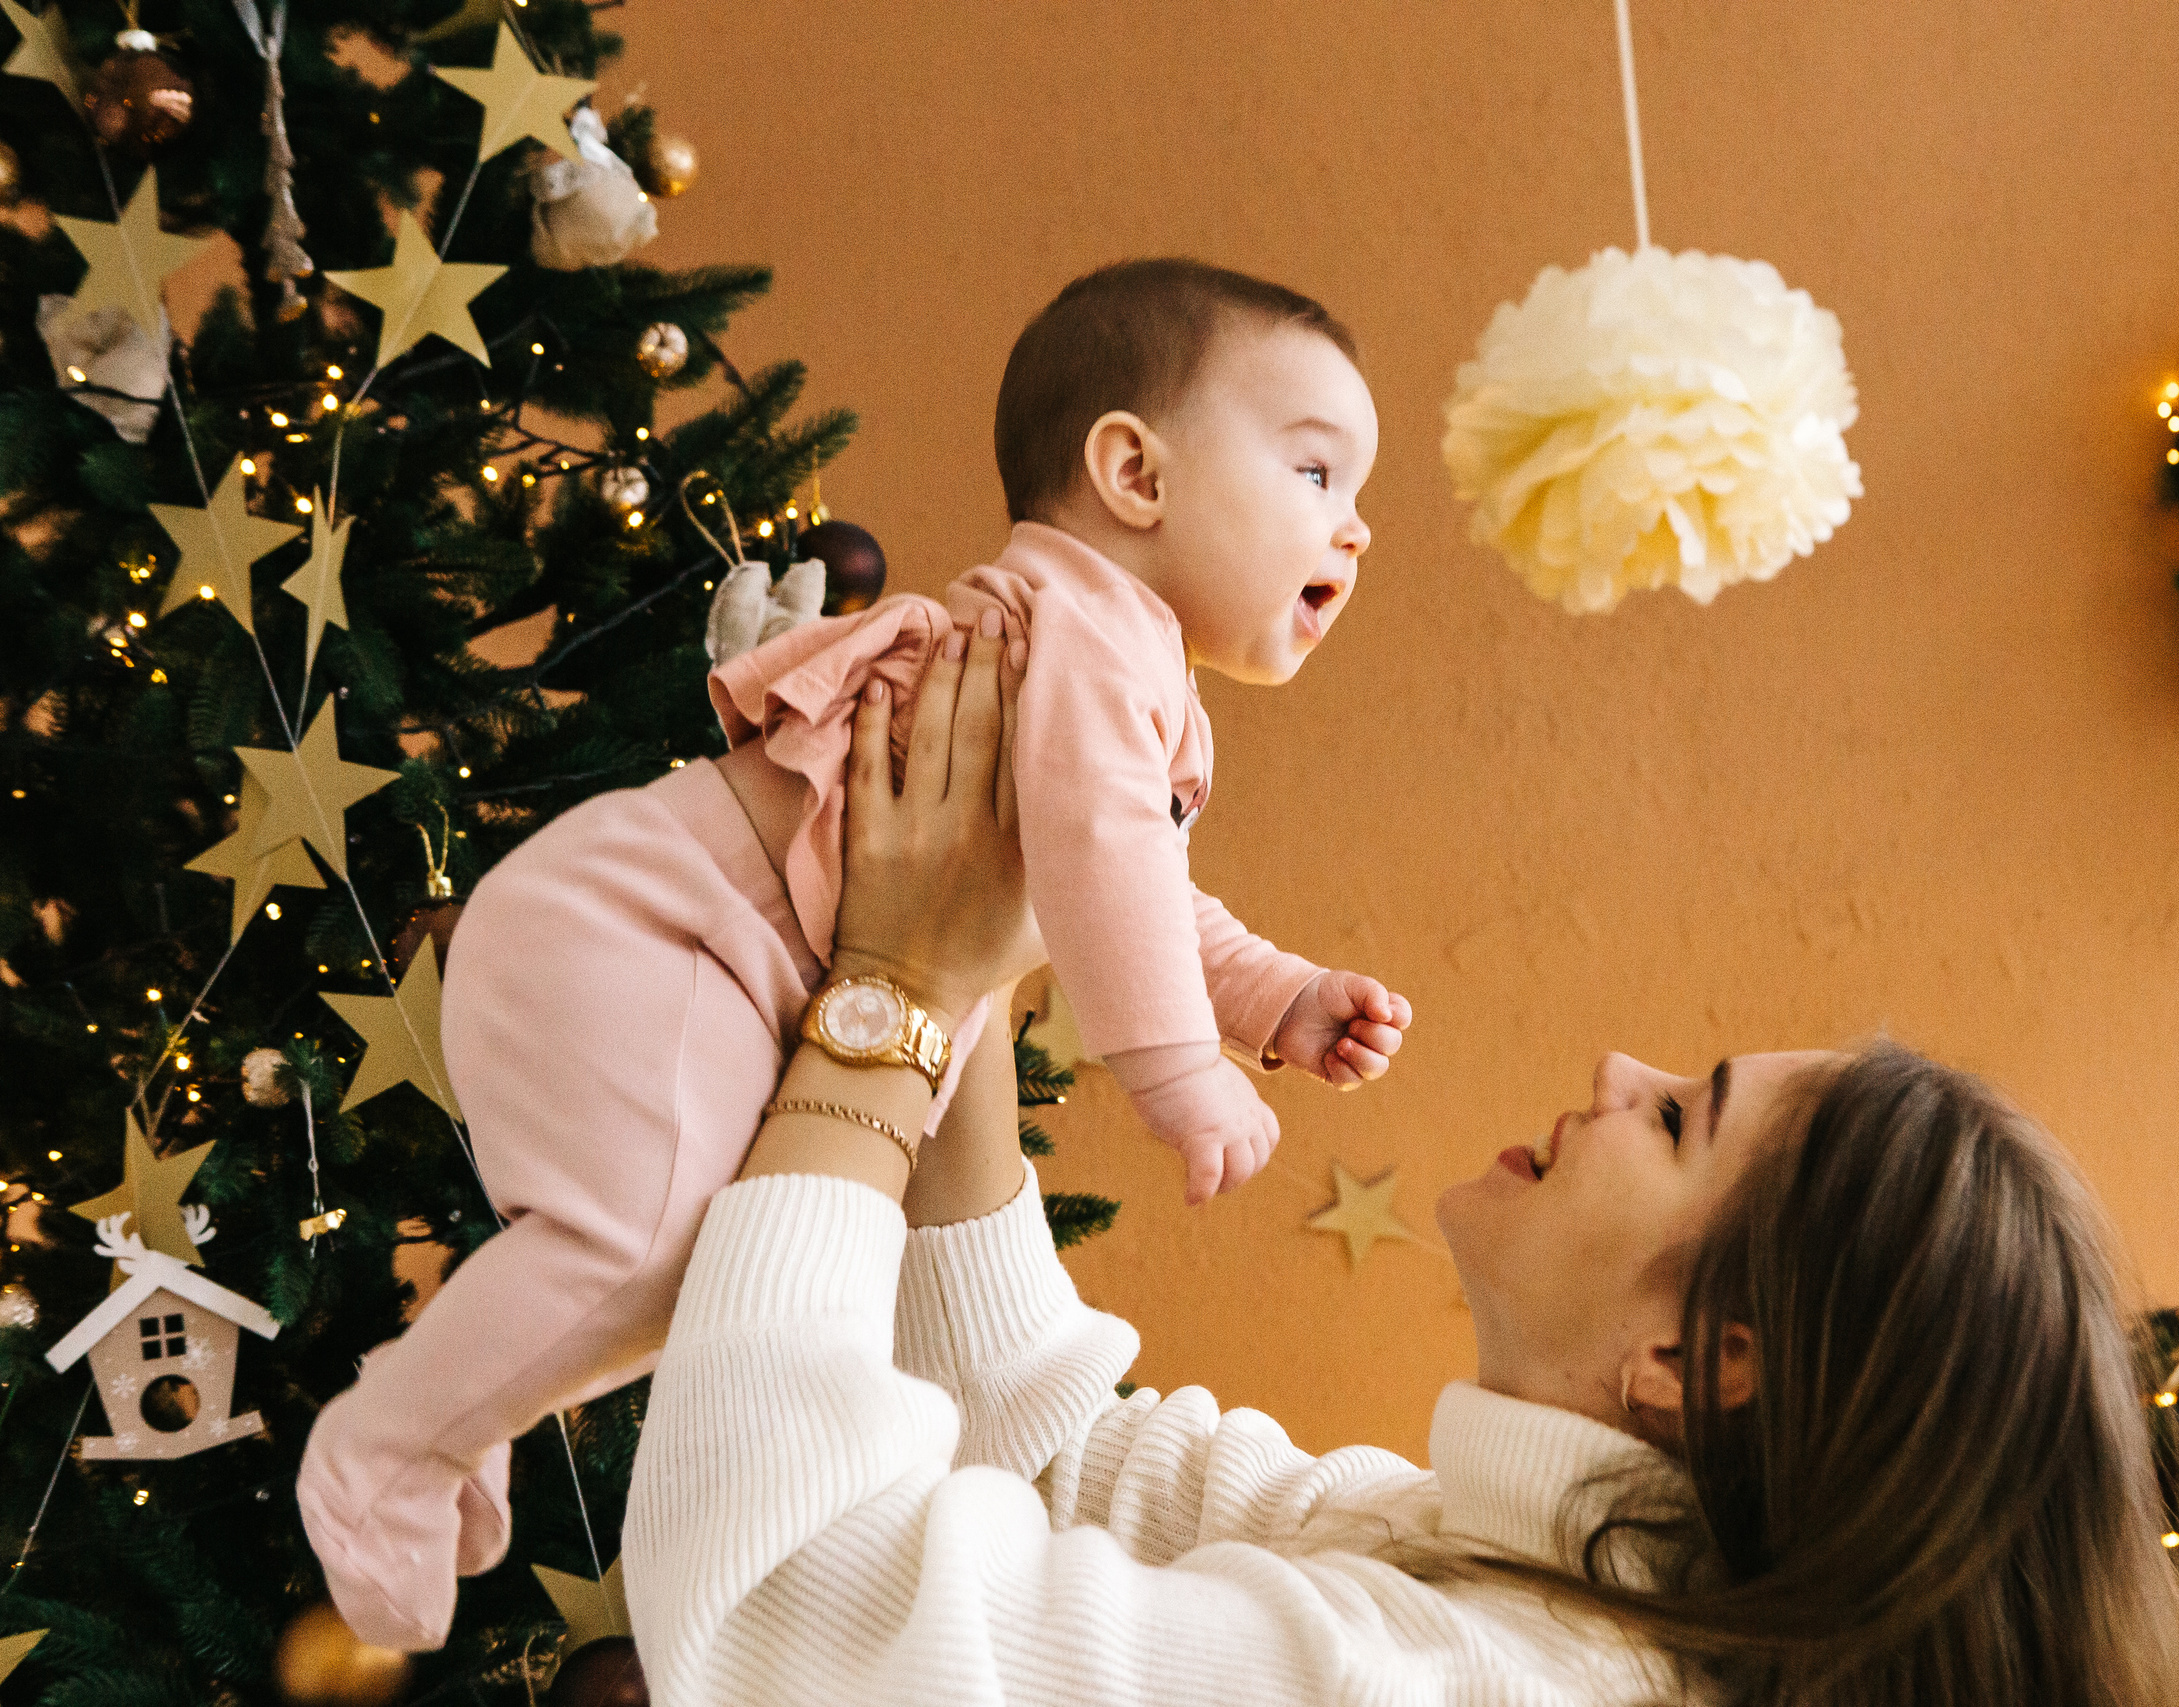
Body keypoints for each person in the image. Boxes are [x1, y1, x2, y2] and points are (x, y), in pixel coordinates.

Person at [625, 624, 2179, 1707]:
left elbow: (785, 1621)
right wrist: (973, 951)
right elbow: (1055, 1448)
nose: (1614, 1076)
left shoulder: (1470, 1683)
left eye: (1679, 1120)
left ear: (1695, 1362)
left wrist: (886, 1003)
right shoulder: (1502, 1567)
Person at [299, 259, 1417, 1651]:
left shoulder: (1115, 667)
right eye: (1318, 474)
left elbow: (1115, 881)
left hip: (673, 948)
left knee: (702, 1257)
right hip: (640, 932)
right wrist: (1183, 1067)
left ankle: (459, 1413)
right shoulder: (1085, 636)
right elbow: (1105, 869)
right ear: (1133, 473)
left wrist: (1275, 998)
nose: (1355, 532)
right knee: (655, 1250)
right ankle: (388, 1449)